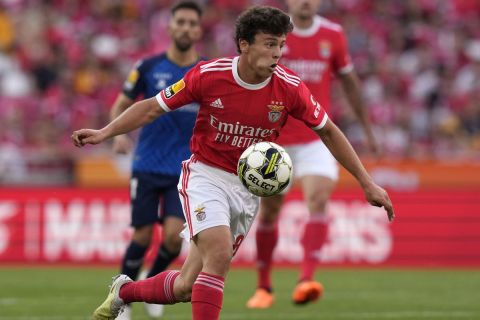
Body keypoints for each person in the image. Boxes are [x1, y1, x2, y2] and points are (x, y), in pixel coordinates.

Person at [72, 6, 394, 320]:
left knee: (186, 286)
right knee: (220, 252)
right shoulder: (209, 75)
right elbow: (152, 107)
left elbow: (328, 131)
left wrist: (367, 182)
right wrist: (106, 132)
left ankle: (123, 293)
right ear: (244, 44)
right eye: (270, 44)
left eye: (281, 45)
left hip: (245, 190)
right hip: (205, 175)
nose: (278, 53)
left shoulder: (290, 88)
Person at [246, 0, 379, 309]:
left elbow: (350, 83)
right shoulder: (275, 36)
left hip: (314, 139)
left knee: (317, 199)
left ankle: (306, 280)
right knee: (269, 212)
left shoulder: (333, 34)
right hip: (275, 138)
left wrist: (367, 130)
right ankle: (264, 286)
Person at [109, 2, 203, 319]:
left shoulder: (205, 71)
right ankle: (121, 298)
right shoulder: (148, 67)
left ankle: (152, 283)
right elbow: (121, 104)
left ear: (199, 29)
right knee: (142, 235)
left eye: (192, 23)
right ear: (171, 26)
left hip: (185, 170)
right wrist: (119, 134)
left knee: (174, 241)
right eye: (181, 22)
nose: (187, 28)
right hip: (147, 164)